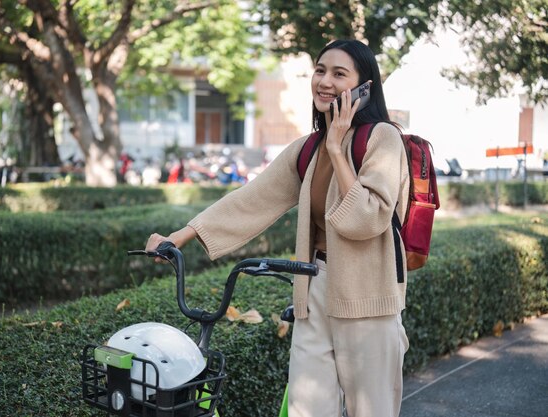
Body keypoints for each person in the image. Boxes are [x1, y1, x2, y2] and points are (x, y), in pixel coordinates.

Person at [145, 39, 411, 417]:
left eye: (339, 74)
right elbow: (252, 199)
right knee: (307, 410)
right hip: (313, 287)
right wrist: (180, 237)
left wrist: (338, 149)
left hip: (369, 298)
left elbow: (367, 218)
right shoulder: (307, 148)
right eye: (320, 70)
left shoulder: (383, 139)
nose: (325, 81)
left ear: (364, 87)